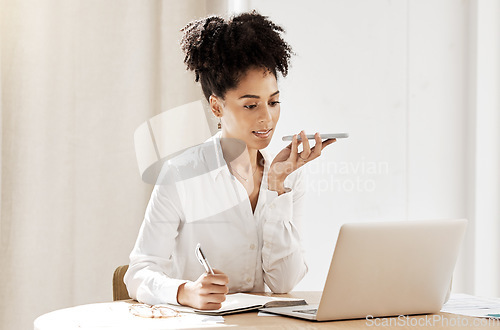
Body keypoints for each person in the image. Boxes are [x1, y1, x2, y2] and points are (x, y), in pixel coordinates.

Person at [124, 11, 336, 310]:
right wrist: (186, 291)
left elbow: (284, 283)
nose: (267, 117)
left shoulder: (289, 176)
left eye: (273, 102)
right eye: (251, 105)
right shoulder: (180, 174)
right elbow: (139, 272)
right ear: (216, 106)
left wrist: (276, 184)